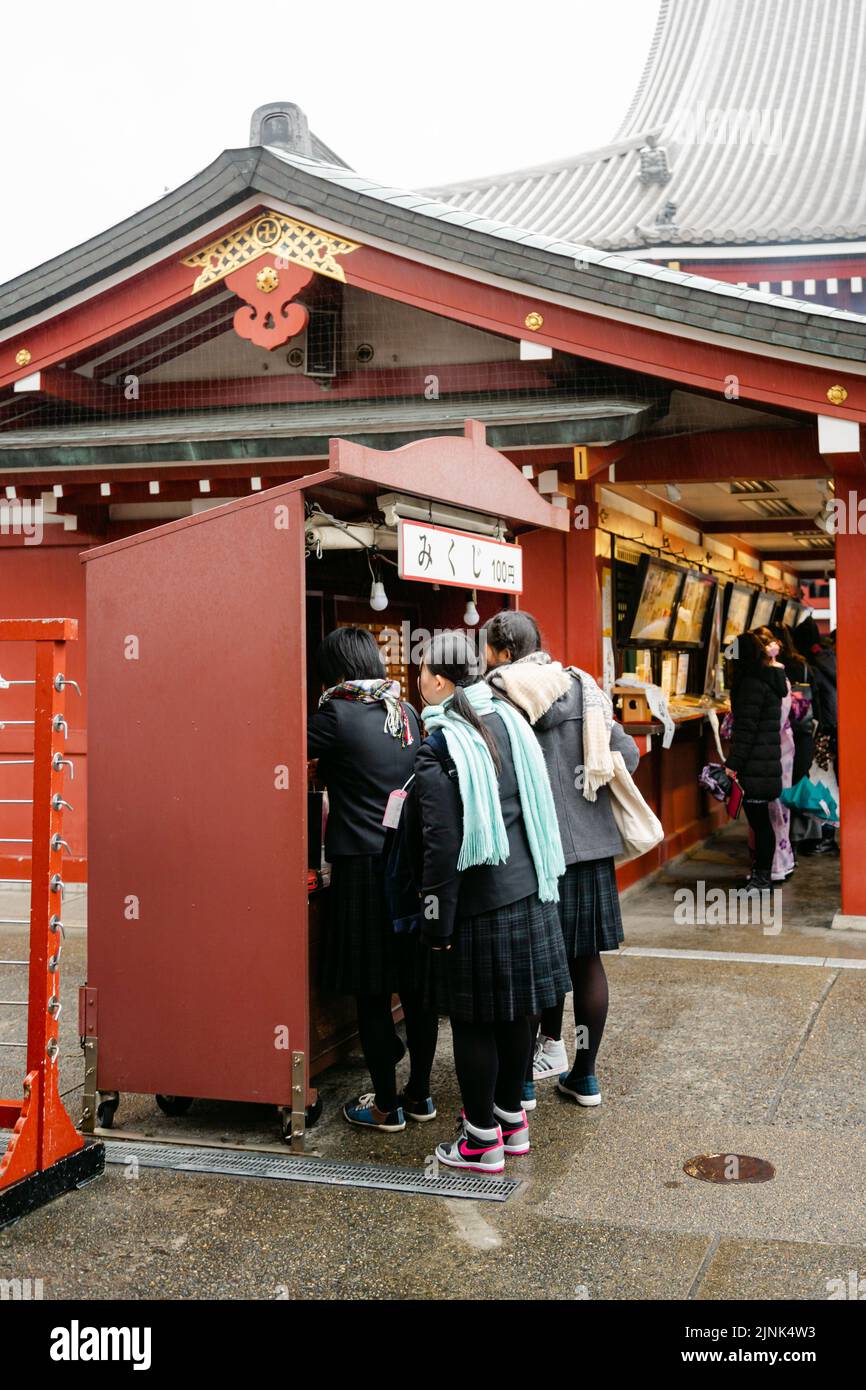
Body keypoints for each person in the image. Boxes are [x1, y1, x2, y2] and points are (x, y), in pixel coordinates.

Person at [413, 631, 570, 1172]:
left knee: (474, 1020)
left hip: (478, 903)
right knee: (517, 1012)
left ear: (438, 680)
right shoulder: (508, 720)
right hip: (532, 889)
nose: (419, 680)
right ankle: (511, 1120)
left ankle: (480, 1140)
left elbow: (439, 847)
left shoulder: (441, 743)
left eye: (422, 671)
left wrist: (436, 923)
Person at [483, 610, 640, 1110]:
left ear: (503, 653)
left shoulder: (495, 696)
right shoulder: (583, 688)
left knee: (533, 967)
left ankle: (523, 1083)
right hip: (590, 849)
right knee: (586, 963)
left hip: (534, 851)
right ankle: (585, 1075)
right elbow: (627, 757)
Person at [307, 626, 439, 1132]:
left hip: (363, 868)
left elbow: (277, 749)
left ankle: (386, 1104)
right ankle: (421, 1095)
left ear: (336, 670)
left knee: (371, 988)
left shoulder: (335, 713)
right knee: (414, 987)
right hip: (409, 863)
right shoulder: (403, 712)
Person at [725, 630, 788, 891]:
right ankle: (761, 875)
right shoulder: (769, 678)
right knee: (762, 822)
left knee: (760, 824)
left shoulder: (751, 684)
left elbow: (746, 732)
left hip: (755, 765)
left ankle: (762, 879)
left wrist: (733, 764)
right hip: (765, 762)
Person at [753, 626, 796, 882]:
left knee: (769, 810)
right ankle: (783, 861)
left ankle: (773, 866)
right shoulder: (782, 680)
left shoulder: (762, 681)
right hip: (782, 747)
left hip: (767, 750)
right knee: (780, 809)